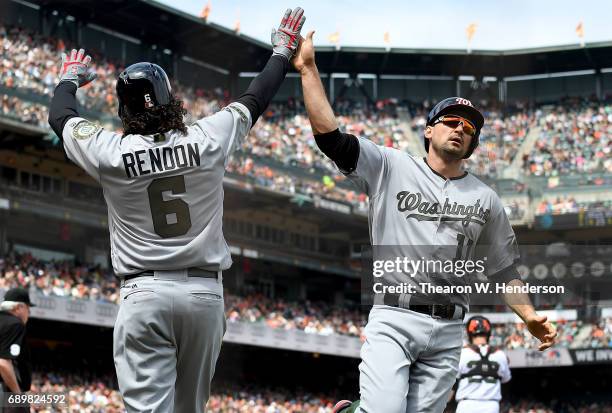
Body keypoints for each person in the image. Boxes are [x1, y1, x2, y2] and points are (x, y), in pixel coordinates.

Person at [47, 7, 306, 413]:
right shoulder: (208, 138)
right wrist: (281, 52)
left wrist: (69, 79)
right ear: (170, 98)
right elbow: (255, 97)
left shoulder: (111, 152)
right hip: (204, 294)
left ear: (125, 110)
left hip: (144, 292)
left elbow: (60, 116)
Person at [291, 32, 556, 413]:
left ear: (473, 144)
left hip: (450, 328)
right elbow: (332, 139)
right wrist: (309, 70)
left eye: (470, 128)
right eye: (452, 121)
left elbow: (504, 269)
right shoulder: (390, 165)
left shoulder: (486, 199)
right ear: (429, 130)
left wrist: (528, 315)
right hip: (394, 315)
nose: (461, 128)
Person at [452, 315, 511, 413]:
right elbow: (506, 380)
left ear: (470, 333)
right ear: (488, 333)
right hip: (491, 406)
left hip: (466, 405)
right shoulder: (500, 354)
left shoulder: (462, 353)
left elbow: (452, 383)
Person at [0, 288, 34, 413]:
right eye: (28, 308)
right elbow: (3, 363)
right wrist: (18, 396)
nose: (29, 313)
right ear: (19, 307)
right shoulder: (14, 324)